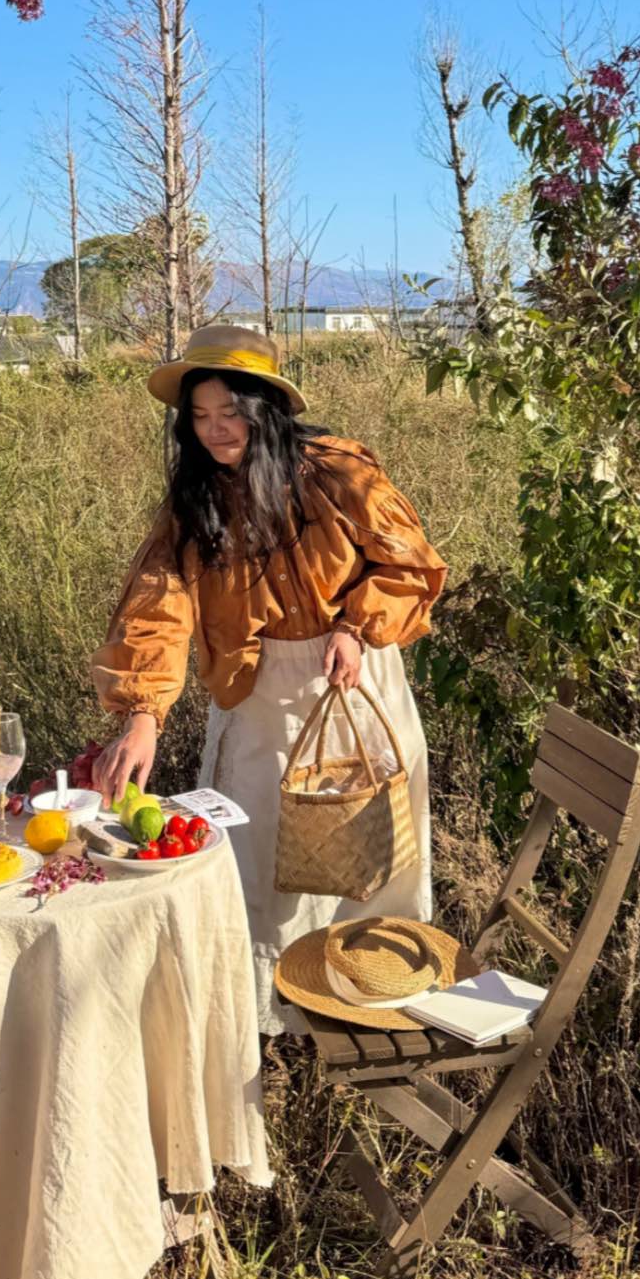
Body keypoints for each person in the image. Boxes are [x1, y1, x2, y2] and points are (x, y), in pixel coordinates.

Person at [88, 324, 446, 1019]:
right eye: (199, 417)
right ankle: (262, 1025)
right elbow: (158, 604)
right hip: (253, 695)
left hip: (353, 681)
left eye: (229, 412)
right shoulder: (196, 499)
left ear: (265, 408)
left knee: (365, 857)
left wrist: (353, 624)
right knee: (252, 861)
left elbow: (410, 562)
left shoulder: (337, 473)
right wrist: (142, 714)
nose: (215, 431)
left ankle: (371, 1001)